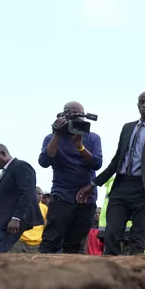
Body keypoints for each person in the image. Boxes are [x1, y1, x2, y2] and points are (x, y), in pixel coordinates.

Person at [78, 91, 145, 255]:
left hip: (143, 189)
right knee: (112, 233)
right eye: (142, 102)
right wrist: (93, 184)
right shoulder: (128, 128)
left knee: (138, 237)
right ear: (137, 105)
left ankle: (134, 276)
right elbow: (116, 161)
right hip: (121, 185)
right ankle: (109, 273)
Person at [38, 101, 103, 254]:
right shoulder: (51, 138)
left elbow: (97, 163)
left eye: (81, 117)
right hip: (62, 196)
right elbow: (44, 161)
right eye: (74, 116)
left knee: (75, 244)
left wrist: (80, 146)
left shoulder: (92, 138)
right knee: (50, 241)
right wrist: (57, 134)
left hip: (86, 198)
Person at [0, 144, 46, 253]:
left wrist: (16, 218)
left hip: (10, 220)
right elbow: (6, 198)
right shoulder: (6, 171)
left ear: (3, 154)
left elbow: (27, 193)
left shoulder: (21, 166)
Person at [9, 187, 48, 254]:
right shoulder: (24, 204)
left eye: (42, 194)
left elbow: (46, 224)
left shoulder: (45, 208)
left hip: (36, 242)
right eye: (38, 194)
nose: (41, 196)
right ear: (33, 194)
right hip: (20, 240)